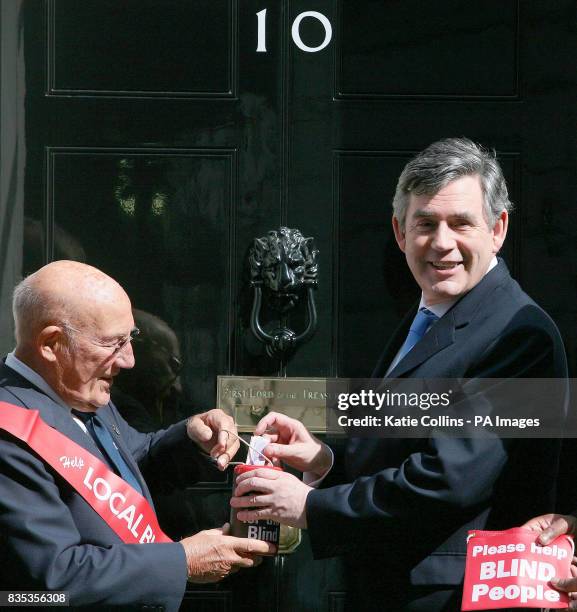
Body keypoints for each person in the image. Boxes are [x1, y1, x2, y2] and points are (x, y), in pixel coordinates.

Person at [230, 137, 568, 611]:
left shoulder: (520, 334)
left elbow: (451, 478)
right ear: (399, 232)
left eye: (461, 223)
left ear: (498, 229)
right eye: (425, 223)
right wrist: (325, 460)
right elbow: (404, 439)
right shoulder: (429, 314)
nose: (441, 242)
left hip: (455, 595)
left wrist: (311, 507)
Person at [0, 260, 274, 611]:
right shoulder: (10, 433)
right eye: (112, 343)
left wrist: (190, 437)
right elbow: (53, 581)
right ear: (51, 343)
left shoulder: (77, 387)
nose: (128, 360)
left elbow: (130, 461)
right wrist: (181, 562)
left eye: (130, 339)